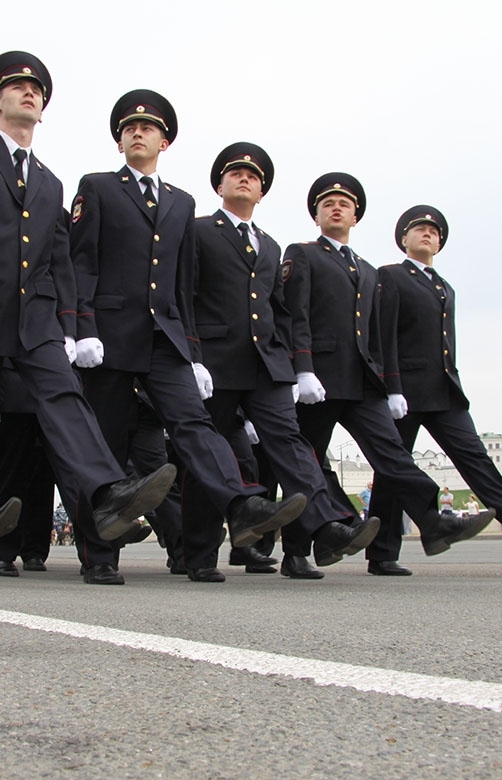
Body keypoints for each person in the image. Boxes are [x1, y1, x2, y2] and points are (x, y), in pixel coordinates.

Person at [0, 51, 177, 586]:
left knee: (66, 401)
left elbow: (60, 261)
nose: (29, 94)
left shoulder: (51, 182)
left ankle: (108, 493)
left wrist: (70, 327)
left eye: (36, 90)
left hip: (35, 321)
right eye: (16, 88)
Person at [68, 93, 306, 583]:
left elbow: (181, 284)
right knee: (109, 444)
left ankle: (241, 504)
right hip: (110, 338)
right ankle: (100, 556)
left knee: (195, 425)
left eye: (148, 127)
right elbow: (82, 263)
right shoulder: (97, 187)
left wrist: (193, 353)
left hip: (166, 338)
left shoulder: (181, 202)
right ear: (119, 140)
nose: (138, 132)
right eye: (130, 127)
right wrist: (82, 328)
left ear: (165, 141)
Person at [176, 141, 375, 581]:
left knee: (291, 443)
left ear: (262, 193)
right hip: (215, 361)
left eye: (254, 177)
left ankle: (327, 526)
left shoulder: (268, 245)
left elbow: (280, 309)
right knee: (212, 453)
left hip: (266, 364)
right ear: (220, 185)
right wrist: (191, 356)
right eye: (236, 173)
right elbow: (183, 294)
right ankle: (200, 554)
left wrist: (294, 365)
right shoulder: (199, 230)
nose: (245, 179)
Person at [283, 174, 493, 579]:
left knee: (393, 455)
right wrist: (302, 368)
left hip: (363, 381)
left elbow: (375, 333)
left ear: (356, 216)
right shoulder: (304, 254)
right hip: (320, 382)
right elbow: (297, 315)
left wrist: (389, 383)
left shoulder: (366, 270)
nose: (336, 208)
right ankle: (296, 552)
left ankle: (433, 520)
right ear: (317, 215)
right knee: (307, 463)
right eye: (328, 204)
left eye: (344, 204)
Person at [362, 205, 502, 574]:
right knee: (395, 469)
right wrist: (391, 386)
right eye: (419, 229)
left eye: (434, 232)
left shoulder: (444, 287)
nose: (428, 234)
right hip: (405, 391)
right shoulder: (391, 276)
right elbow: (385, 334)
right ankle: (383, 553)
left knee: (475, 457)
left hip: (444, 391)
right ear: (404, 240)